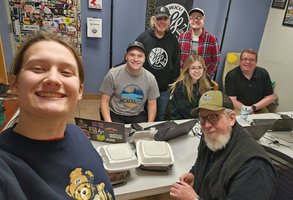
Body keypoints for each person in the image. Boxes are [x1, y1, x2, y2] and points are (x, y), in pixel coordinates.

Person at [0, 33, 115, 199]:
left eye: (66, 73)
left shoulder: (78, 135)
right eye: (38, 69)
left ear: (80, 91)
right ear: (14, 84)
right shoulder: (5, 168)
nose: (53, 79)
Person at [170, 90, 275, 200]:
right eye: (202, 118)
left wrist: (192, 198)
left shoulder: (254, 166)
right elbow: (202, 162)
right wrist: (194, 175)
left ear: (231, 118)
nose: (206, 125)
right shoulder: (213, 137)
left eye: (213, 117)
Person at [136, 6, 180, 121]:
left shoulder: (173, 40)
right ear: (154, 20)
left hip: (163, 88)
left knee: (161, 115)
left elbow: (176, 63)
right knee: (142, 114)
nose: (162, 22)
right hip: (144, 86)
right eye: (159, 19)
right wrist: (118, 67)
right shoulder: (143, 37)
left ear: (169, 21)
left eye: (165, 19)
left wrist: (173, 84)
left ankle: (157, 137)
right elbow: (133, 56)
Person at [100, 41, 160, 124]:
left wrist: (148, 125)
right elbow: (104, 101)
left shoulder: (150, 78)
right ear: (126, 56)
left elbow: (152, 105)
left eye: (140, 56)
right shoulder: (112, 74)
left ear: (144, 59)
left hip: (138, 115)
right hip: (116, 114)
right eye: (132, 55)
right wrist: (109, 124)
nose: (135, 59)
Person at [225, 48, 275, 114]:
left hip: (259, 107)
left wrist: (253, 108)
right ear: (240, 61)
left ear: (256, 62)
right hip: (238, 108)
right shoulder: (231, 75)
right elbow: (232, 100)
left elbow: (270, 97)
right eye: (245, 59)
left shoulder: (263, 73)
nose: (248, 62)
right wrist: (247, 110)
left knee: (270, 123)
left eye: (251, 60)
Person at [179, 7, 221, 79]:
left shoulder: (212, 39)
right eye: (192, 18)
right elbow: (177, 58)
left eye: (199, 18)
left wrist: (205, 76)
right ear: (189, 20)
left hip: (202, 80)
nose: (195, 20)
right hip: (184, 78)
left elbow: (216, 61)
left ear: (203, 20)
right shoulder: (182, 37)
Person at [168, 53, 212, 120]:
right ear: (188, 69)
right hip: (181, 120)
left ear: (204, 68)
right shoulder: (181, 86)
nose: (197, 71)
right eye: (193, 68)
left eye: (199, 67)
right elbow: (188, 113)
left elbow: (209, 102)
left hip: (200, 117)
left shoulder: (206, 80)